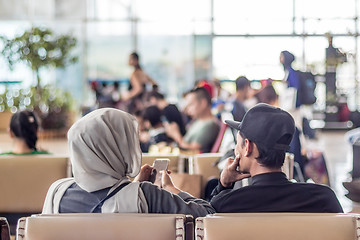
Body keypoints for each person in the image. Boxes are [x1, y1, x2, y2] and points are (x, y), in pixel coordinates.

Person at [42, 108, 214, 218]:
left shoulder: (57, 193)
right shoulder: (146, 195)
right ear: (118, 148)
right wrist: (170, 188)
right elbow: (207, 215)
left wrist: (134, 185)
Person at [210, 103, 343, 213]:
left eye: (237, 144)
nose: (235, 150)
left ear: (248, 146)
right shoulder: (324, 199)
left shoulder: (227, 204)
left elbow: (209, 224)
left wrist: (224, 185)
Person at [165, 87, 220, 153]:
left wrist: (176, 135)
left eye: (190, 105)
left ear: (203, 103)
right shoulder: (197, 121)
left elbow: (193, 151)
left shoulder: (210, 124)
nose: (187, 109)